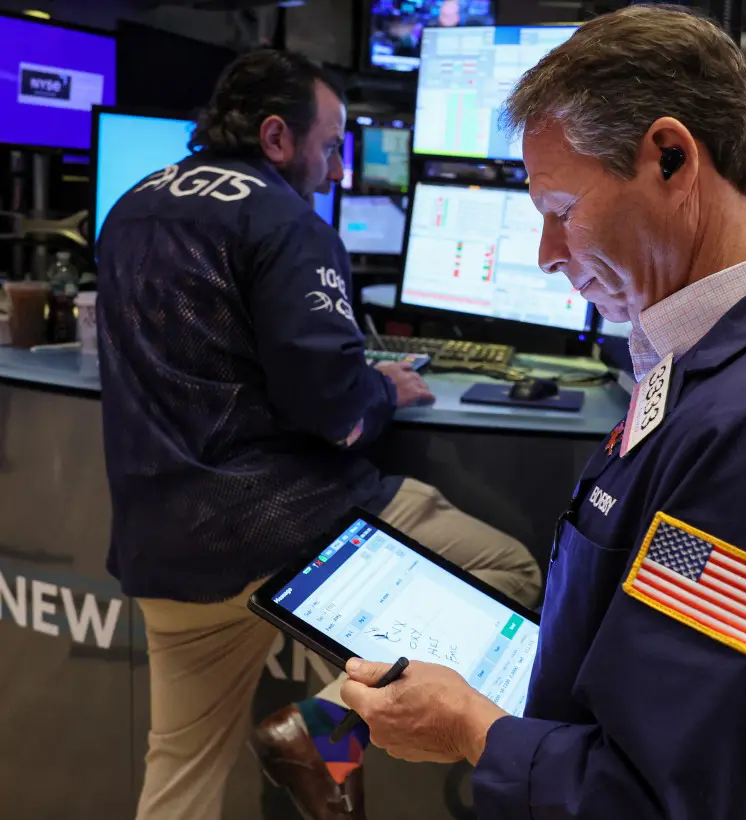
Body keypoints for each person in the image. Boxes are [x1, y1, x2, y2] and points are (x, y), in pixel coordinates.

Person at [339, 7, 746, 818]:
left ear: (670, 157)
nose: (549, 253)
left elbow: (662, 803)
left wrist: (474, 731)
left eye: (559, 206)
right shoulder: (706, 369)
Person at [95, 48, 541, 820]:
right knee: (512, 574)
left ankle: (319, 748)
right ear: (277, 138)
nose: (336, 171)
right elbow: (334, 411)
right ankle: (322, 732)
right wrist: (384, 389)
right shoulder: (283, 222)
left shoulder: (131, 207)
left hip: (162, 548)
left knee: (178, 769)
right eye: (331, 147)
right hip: (287, 531)